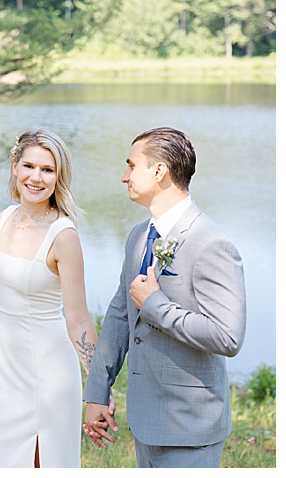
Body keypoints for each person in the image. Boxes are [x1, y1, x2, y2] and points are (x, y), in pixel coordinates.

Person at [83, 127, 246, 467]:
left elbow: (228, 336)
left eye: (131, 166)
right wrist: (98, 391)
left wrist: (155, 304)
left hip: (191, 426)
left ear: (159, 172)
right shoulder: (139, 236)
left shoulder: (210, 241)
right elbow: (119, 315)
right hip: (146, 423)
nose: (123, 176)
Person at [0, 129, 99, 467]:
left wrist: (98, 387)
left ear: (59, 177)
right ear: (15, 166)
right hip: (4, 371)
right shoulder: (6, 218)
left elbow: (78, 318)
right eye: (29, 166)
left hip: (47, 375)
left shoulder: (64, 236)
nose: (36, 177)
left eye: (47, 170)